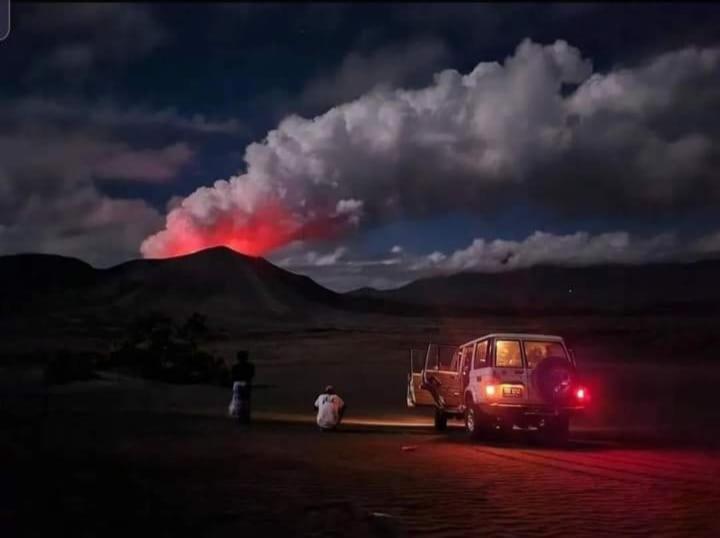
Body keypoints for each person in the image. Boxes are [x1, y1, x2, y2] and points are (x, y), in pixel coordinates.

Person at [229, 351, 255, 424]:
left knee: (240, 401)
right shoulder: (250, 366)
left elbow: (233, 377)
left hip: (238, 384)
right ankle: (245, 417)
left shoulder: (235, 367)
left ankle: (241, 417)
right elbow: (251, 375)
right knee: (246, 401)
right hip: (246, 384)